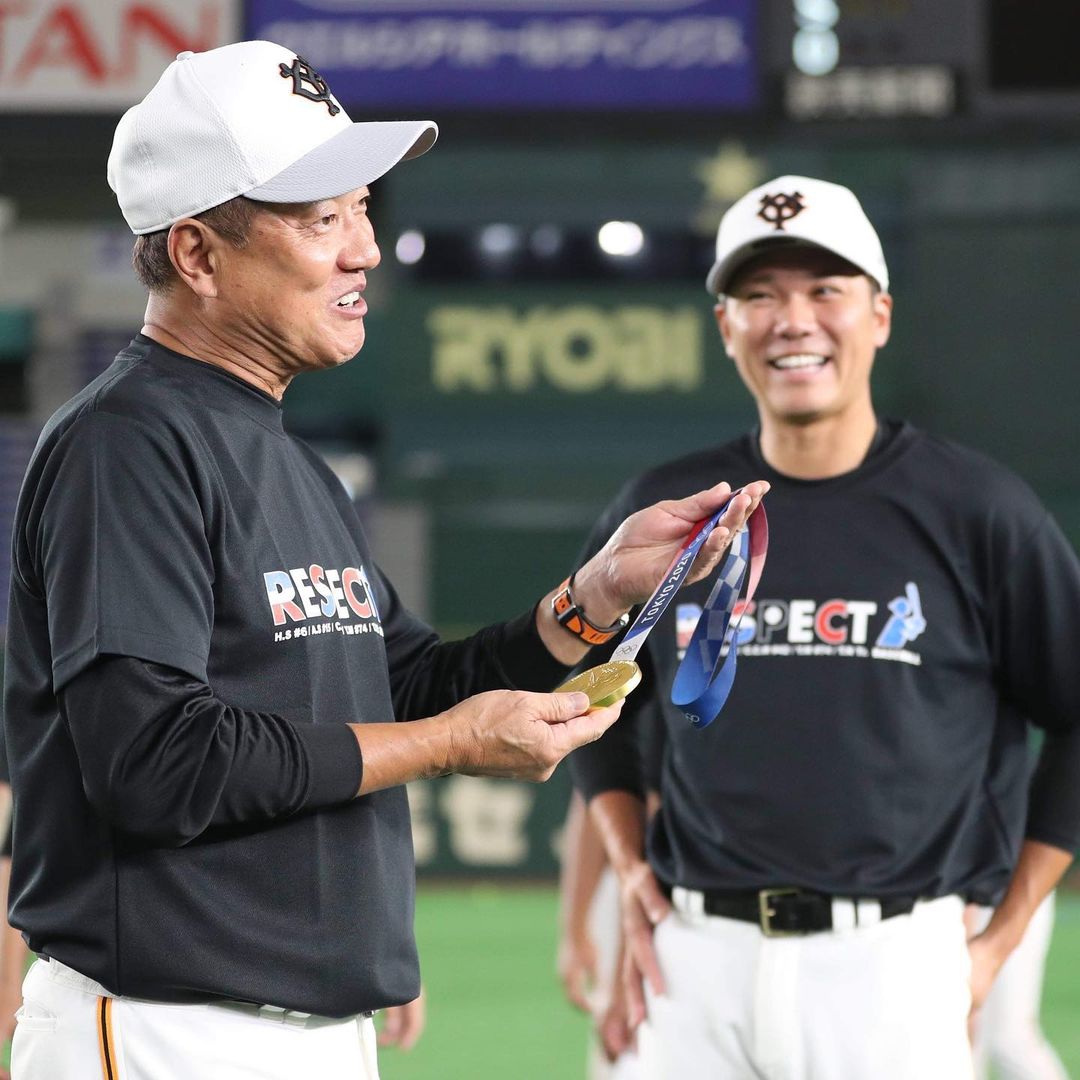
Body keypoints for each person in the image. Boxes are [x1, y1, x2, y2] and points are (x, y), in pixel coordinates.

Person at [0, 40, 767, 1080]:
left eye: (361, 208)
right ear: (197, 255)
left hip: (298, 1032)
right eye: (321, 218)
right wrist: (450, 744)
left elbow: (404, 686)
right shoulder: (125, 442)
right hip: (165, 1029)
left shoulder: (293, 465)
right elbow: (156, 765)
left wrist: (588, 602)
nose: (363, 248)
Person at [570, 175, 1080, 1079]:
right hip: (693, 964)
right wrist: (630, 864)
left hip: (893, 962)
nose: (792, 320)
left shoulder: (979, 510)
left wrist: (999, 941)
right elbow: (589, 696)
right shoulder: (669, 511)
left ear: (879, 315)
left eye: (824, 290)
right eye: (759, 295)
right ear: (726, 326)